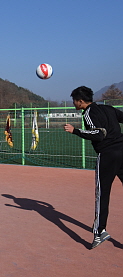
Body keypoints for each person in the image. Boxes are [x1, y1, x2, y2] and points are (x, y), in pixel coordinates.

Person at [64, 86, 123, 249]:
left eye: (74, 101)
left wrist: (75, 131)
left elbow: (98, 134)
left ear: (81, 101)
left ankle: (100, 231)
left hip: (108, 155)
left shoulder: (89, 113)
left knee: (102, 194)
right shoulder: (108, 108)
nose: (74, 104)